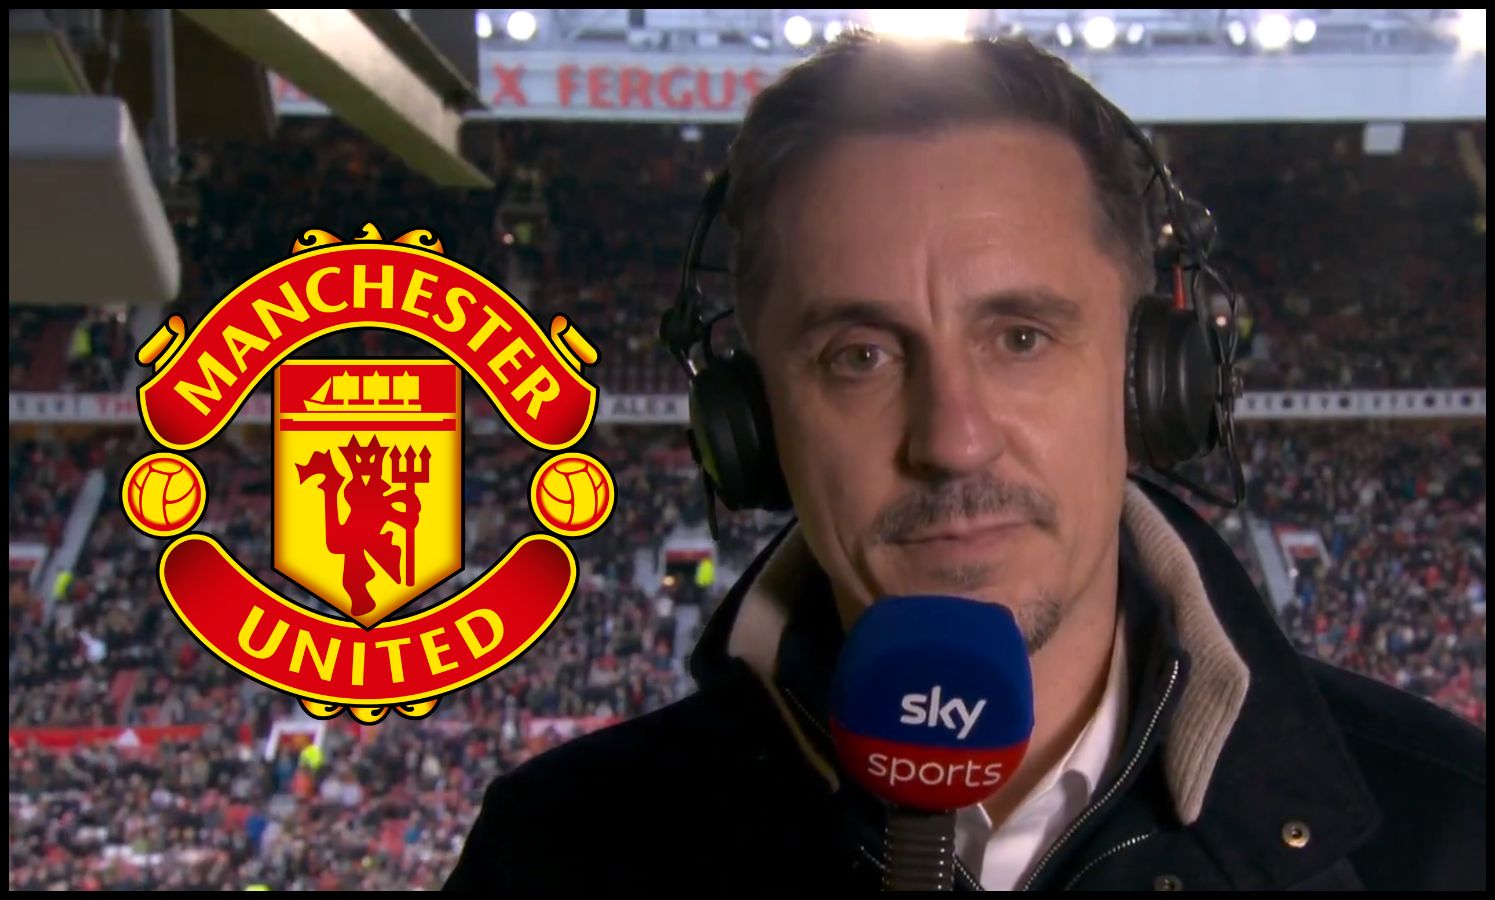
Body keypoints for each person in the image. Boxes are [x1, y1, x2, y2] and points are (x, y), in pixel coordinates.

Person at [445, 32, 1485, 891]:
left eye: (1021, 337)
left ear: (1151, 383)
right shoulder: (558, 852)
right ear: (752, 425)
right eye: (858, 356)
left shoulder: (1445, 833)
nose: (951, 439)